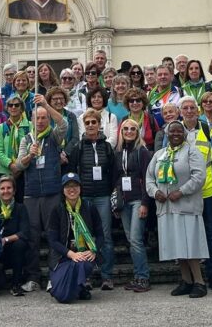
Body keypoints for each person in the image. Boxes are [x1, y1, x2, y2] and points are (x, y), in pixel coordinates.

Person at [146, 121, 208, 297]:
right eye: (171, 131)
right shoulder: (160, 154)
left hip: (186, 206)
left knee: (191, 245)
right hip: (166, 207)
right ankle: (186, 280)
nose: (175, 133)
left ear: (185, 133)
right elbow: (149, 177)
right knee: (176, 245)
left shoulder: (192, 151)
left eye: (179, 131)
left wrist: (181, 192)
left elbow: (199, 177)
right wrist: (155, 192)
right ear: (166, 133)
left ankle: (199, 282)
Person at [15, 96, 68, 291]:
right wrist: (30, 154)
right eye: (37, 118)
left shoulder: (53, 136)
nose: (40, 121)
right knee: (33, 237)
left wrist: (46, 104)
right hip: (31, 194)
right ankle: (33, 277)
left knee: (54, 235)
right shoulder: (26, 139)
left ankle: (54, 275)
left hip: (52, 192)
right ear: (32, 119)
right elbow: (19, 165)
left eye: (44, 118)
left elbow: (64, 125)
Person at [64, 108, 116, 290]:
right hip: (84, 197)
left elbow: (113, 171)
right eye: (88, 123)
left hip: (102, 195)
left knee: (106, 236)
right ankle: (84, 275)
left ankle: (106, 276)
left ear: (99, 124)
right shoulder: (78, 147)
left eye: (94, 122)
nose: (91, 125)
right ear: (84, 125)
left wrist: (110, 191)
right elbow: (72, 171)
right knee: (81, 237)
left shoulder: (107, 146)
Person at [177, 96, 212, 289]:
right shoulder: (174, 130)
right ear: (180, 112)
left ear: (198, 110)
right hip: (183, 194)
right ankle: (188, 279)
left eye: (192, 108)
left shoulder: (208, 130)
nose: (189, 111)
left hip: (206, 191)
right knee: (184, 235)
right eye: (185, 108)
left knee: (211, 234)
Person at [44, 174, 105, 303]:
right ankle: (77, 286)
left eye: (75, 186)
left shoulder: (89, 207)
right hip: (63, 255)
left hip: (83, 253)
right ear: (63, 189)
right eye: (68, 186)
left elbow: (100, 234)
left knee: (84, 265)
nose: (72, 189)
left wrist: (94, 250)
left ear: (80, 188)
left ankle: (79, 286)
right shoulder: (57, 209)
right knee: (61, 296)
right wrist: (71, 254)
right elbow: (52, 240)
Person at [111, 118, 152, 292]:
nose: (129, 131)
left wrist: (145, 203)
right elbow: (115, 178)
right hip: (124, 201)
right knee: (131, 240)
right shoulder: (117, 152)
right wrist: (115, 204)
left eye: (132, 129)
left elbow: (148, 178)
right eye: (125, 128)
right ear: (121, 131)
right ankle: (137, 275)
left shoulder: (142, 151)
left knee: (135, 239)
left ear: (137, 132)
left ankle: (143, 277)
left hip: (137, 200)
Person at [0, 176, 30, 296]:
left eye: (9, 188)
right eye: (2, 188)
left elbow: (24, 232)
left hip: (12, 250)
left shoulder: (21, 208)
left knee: (20, 244)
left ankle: (16, 284)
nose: (6, 191)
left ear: (14, 191)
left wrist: (6, 239)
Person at [0, 96, 29, 194]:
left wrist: (20, 166)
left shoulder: (30, 126)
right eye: (10, 105)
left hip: (25, 171)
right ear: (7, 108)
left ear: (22, 108)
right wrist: (11, 165)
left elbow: (31, 148)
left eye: (17, 105)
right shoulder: (1, 127)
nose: (13, 107)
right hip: (4, 171)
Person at [147, 64, 181, 129]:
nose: (163, 77)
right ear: (156, 77)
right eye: (160, 75)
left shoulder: (180, 92)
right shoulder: (149, 95)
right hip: (157, 135)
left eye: (165, 74)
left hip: (177, 132)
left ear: (171, 76)